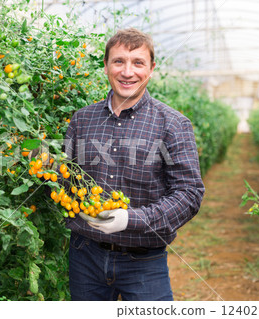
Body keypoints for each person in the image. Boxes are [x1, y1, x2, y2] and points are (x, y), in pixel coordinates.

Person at [63, 28, 205, 301]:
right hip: (85, 254)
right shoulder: (82, 120)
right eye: (118, 61)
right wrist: (43, 167)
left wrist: (132, 219)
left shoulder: (173, 125)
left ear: (151, 69)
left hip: (144, 262)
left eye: (138, 63)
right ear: (105, 66)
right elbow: (66, 179)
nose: (127, 72)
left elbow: (189, 194)